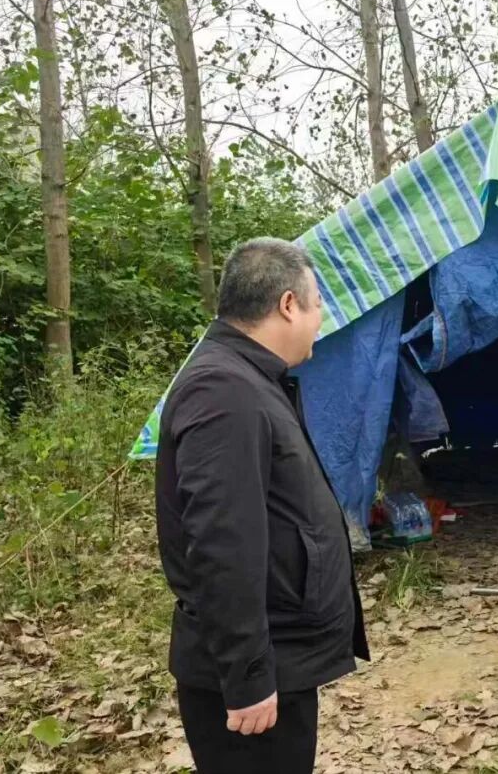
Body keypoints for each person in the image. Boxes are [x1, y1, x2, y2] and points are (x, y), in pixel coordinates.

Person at [155, 238, 369, 774]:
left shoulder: (247, 378)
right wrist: (248, 675)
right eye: (317, 304)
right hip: (256, 671)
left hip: (280, 654)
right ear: (288, 305)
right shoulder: (224, 389)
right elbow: (222, 543)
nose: (321, 318)